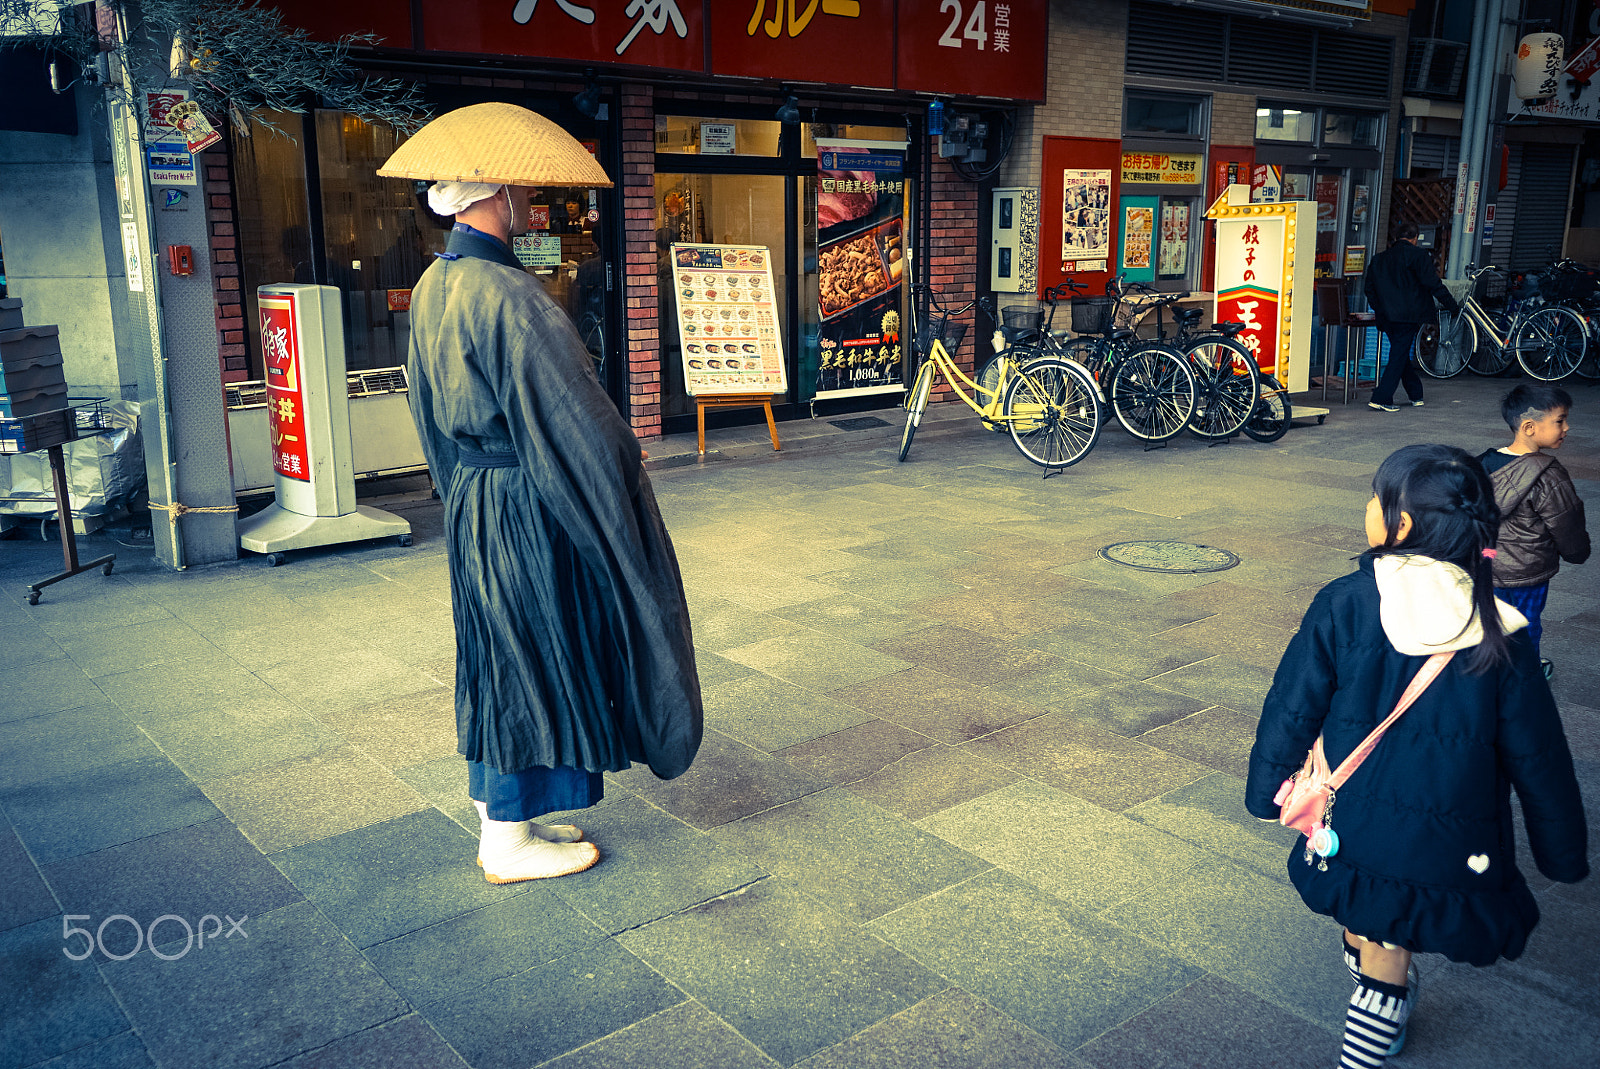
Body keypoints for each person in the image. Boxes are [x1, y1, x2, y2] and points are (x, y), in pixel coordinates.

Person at [378, 103, 702, 884]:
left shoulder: (433, 285)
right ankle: (507, 840)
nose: (526, 196)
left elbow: (424, 406)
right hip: (528, 504)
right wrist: (620, 478)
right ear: (491, 196)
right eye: (516, 186)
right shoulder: (510, 296)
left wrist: (461, 498)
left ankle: (505, 816)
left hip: (477, 503)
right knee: (531, 656)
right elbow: (576, 422)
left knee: (500, 655)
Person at [1246, 444, 1588, 1069]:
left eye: (1378, 496)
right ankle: (1386, 989)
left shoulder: (1346, 602)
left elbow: (1292, 705)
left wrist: (1264, 788)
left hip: (1353, 818)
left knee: (1378, 940)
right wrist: (1560, 852)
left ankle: (1373, 1027)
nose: (1369, 506)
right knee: (1374, 924)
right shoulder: (1500, 626)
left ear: (1400, 525)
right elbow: (1540, 755)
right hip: (1451, 828)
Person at [1477, 384, 1590, 680]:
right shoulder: (1548, 474)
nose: (1567, 427)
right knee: (1525, 625)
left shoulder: (1481, 465)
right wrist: (1577, 553)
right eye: (1559, 420)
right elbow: (1567, 522)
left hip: (1486, 563)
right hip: (1526, 572)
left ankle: (1486, 673)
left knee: (1488, 621)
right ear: (1529, 426)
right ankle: (1525, 678)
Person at [1364, 221, 1460, 412]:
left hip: (1386, 316)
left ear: (1396, 237)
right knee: (1398, 354)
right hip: (1409, 315)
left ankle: (1416, 394)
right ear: (1415, 238)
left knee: (1399, 353)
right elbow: (1433, 283)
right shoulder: (1418, 256)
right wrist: (1452, 305)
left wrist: (1380, 309)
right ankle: (1382, 397)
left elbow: (1369, 289)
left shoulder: (1378, 259)